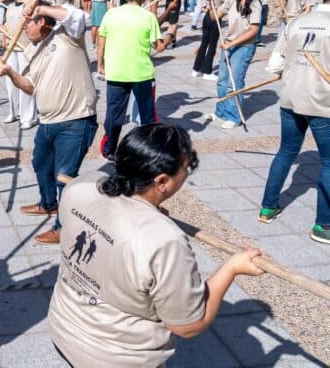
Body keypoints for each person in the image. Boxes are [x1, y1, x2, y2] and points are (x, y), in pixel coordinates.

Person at [49, 123, 265, 367]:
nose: (186, 173)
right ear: (162, 181)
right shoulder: (164, 240)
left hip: (63, 327)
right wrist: (231, 268)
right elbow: (189, 326)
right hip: (115, 357)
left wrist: (150, 212)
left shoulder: (82, 186)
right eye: (185, 168)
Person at [0, 2, 97, 245]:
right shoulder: (32, 51)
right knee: (41, 164)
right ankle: (48, 203)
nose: (22, 27)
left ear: (40, 22)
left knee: (65, 175)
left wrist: (42, 8)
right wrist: (9, 72)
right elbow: (29, 87)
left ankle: (64, 228)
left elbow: (81, 16)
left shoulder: (67, 36)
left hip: (75, 119)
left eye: (26, 22)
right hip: (47, 121)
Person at [259, 0, 330, 243]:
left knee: (286, 151)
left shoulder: (297, 22)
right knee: (329, 162)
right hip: (323, 102)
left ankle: (267, 207)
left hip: (291, 96)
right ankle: (323, 225)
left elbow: (274, 64)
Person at [97, 0, 171, 161]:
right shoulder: (148, 17)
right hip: (141, 73)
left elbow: (101, 41)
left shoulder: (111, 14)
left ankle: (109, 149)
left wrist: (100, 65)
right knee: (147, 115)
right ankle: (147, 149)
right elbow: (159, 47)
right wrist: (169, 36)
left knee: (114, 115)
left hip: (116, 71)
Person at [211, 0, 262, 129]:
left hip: (244, 47)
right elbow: (214, 17)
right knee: (222, 81)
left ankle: (234, 116)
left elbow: (253, 30)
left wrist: (232, 44)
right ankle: (221, 112)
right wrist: (210, 2)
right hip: (228, 45)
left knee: (235, 82)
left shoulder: (254, 4)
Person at [1, 0, 38, 129]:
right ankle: (14, 112)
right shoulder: (10, 6)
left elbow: (35, 25)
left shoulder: (30, 5)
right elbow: (6, 24)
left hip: (25, 48)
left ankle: (28, 116)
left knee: (25, 81)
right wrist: (3, 37)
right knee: (10, 82)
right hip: (11, 48)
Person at [192, 0, 227, 80]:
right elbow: (227, 3)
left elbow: (202, 7)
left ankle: (196, 69)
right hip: (215, 17)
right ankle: (207, 72)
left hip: (206, 17)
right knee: (212, 45)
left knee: (204, 44)